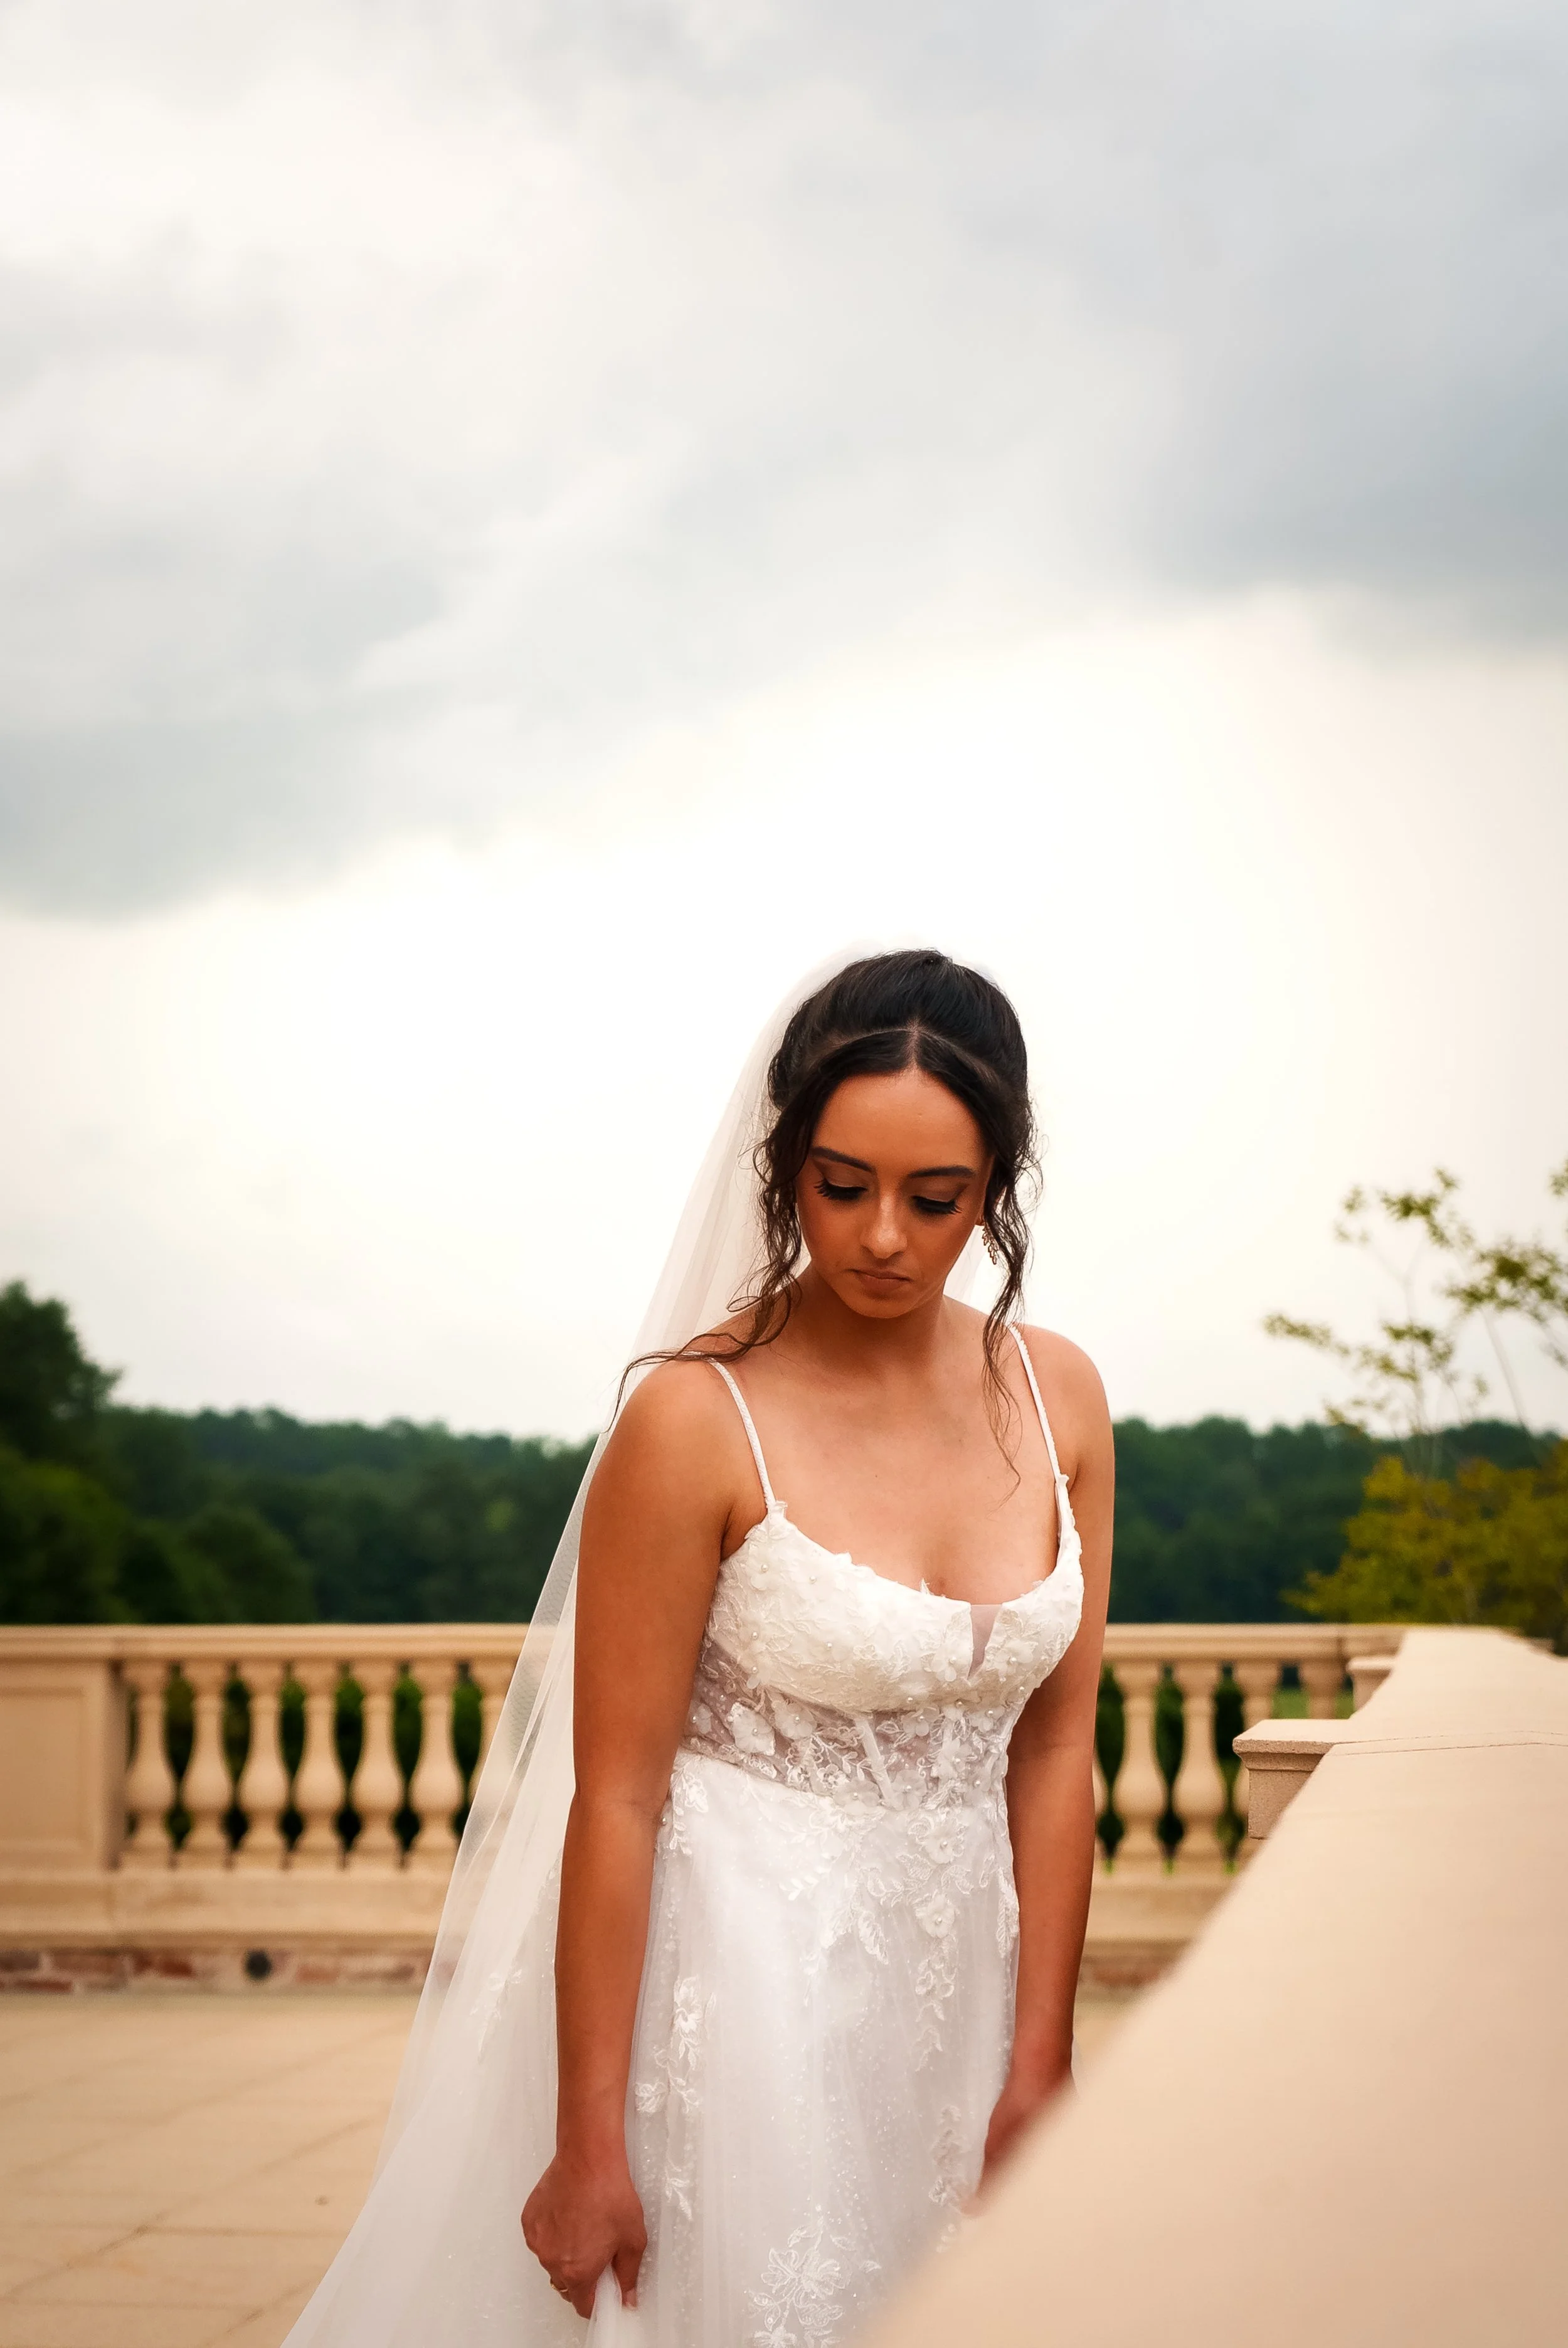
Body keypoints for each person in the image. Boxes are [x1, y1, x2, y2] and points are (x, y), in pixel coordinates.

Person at [286, 948, 1113, 2348]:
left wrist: (1039, 2057)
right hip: (736, 1987)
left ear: (997, 1184)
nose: (883, 1238)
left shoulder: (1061, 1395)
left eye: (937, 1197)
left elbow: (1055, 1749)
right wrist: (587, 2137)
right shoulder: (690, 1419)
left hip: (961, 1980)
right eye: (840, 1183)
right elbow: (613, 1792)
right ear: (782, 1158)